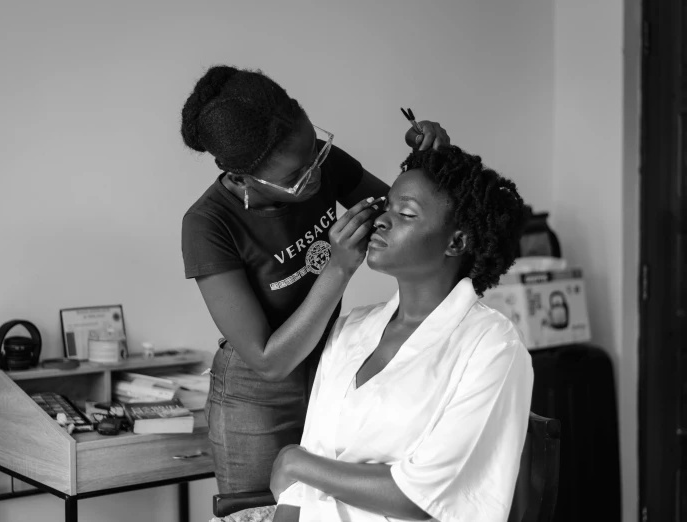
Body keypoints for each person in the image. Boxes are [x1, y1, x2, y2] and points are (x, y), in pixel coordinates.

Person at [179, 64, 451, 494]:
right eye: (297, 176)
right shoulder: (208, 225)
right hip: (258, 395)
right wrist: (338, 268)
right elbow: (270, 361)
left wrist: (431, 163)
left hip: (332, 366)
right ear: (242, 177)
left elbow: (406, 223)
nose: (318, 173)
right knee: (263, 513)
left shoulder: (317, 164)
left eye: (317, 152)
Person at [269, 144, 533, 522]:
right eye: (387, 207)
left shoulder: (492, 347)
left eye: (406, 213)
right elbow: (297, 494)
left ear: (456, 242)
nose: (381, 221)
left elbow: (422, 498)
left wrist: (296, 462)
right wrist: (299, 471)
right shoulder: (351, 329)